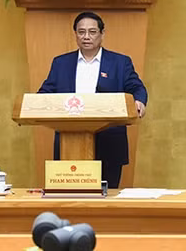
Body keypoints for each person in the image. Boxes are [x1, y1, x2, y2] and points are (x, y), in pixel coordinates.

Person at [38, 12, 147, 188]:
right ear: (75, 35)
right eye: (81, 32)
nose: (86, 37)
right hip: (69, 142)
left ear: (102, 34)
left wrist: (139, 100)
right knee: (70, 198)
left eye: (92, 32)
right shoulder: (61, 63)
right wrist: (36, 105)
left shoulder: (120, 62)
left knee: (106, 200)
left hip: (110, 141)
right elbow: (46, 93)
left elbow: (136, 87)